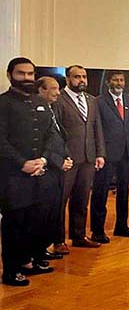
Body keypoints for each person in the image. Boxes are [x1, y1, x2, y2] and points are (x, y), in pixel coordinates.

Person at [0, 58, 66, 286]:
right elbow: (1, 140)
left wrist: (44, 159)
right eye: (21, 74)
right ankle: (11, 270)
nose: (27, 78)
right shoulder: (3, 103)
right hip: (14, 176)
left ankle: (31, 261)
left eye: (30, 74)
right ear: (10, 75)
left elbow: (51, 134)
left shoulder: (40, 101)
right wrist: (22, 163)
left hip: (41, 171)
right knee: (14, 224)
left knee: (37, 221)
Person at [52, 65, 106, 249]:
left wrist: (100, 153)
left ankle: (79, 236)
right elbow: (54, 132)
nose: (81, 80)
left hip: (88, 158)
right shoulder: (59, 100)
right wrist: (60, 157)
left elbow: (96, 128)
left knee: (82, 199)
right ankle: (58, 241)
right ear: (68, 79)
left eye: (84, 76)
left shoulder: (91, 100)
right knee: (61, 200)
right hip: (68, 160)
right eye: (77, 77)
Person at [90, 72, 129, 242]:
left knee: (124, 192)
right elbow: (96, 130)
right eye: (115, 80)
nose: (119, 83)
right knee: (100, 192)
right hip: (106, 155)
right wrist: (99, 152)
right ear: (108, 82)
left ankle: (122, 226)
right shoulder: (98, 101)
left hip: (126, 154)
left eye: (121, 80)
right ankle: (97, 231)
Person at [35, 76, 70, 261]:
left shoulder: (52, 109)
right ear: (41, 90)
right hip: (45, 169)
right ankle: (37, 252)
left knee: (52, 211)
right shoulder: (36, 111)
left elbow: (59, 138)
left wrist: (66, 157)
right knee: (41, 213)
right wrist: (58, 161)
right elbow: (40, 144)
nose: (58, 92)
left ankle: (42, 250)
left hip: (57, 168)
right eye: (54, 88)